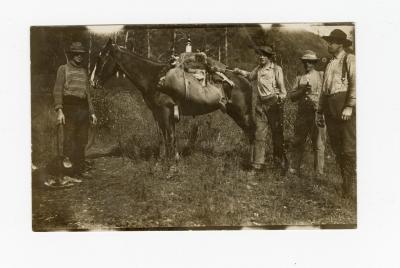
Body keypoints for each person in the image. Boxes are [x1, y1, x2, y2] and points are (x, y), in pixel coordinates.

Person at [234, 46, 288, 173]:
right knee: (259, 134)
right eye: (260, 54)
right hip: (260, 105)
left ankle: (279, 163)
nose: (261, 57)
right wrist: (238, 71)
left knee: (277, 134)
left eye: (264, 55)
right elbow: (249, 76)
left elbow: (283, 90)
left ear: (270, 57)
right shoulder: (258, 69)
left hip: (273, 103)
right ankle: (257, 165)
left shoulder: (276, 69)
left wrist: (280, 99)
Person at [316, 29, 356, 198]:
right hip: (330, 108)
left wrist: (349, 106)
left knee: (348, 148)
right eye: (329, 41)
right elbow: (324, 90)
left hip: (344, 107)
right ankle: (345, 183)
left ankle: (349, 188)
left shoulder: (349, 59)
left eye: (332, 42)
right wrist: (319, 111)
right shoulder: (330, 63)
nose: (329, 44)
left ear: (340, 44)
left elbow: (356, 83)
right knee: (337, 147)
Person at [52, 41, 97, 185]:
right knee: (69, 140)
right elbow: (57, 90)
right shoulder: (63, 69)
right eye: (76, 54)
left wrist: (92, 113)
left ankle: (77, 171)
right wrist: (59, 110)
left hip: (83, 108)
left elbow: (88, 94)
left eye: (81, 54)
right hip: (69, 108)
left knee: (82, 140)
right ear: (71, 55)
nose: (79, 56)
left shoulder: (84, 71)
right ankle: (66, 173)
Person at [288, 50, 326, 179]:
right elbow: (292, 97)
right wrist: (302, 90)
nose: (307, 64)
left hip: (317, 113)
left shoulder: (321, 75)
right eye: (305, 62)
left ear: (314, 63)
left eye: (310, 62)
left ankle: (319, 173)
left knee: (318, 143)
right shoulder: (299, 78)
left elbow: (326, 94)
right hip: (302, 114)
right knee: (298, 141)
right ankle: (294, 169)